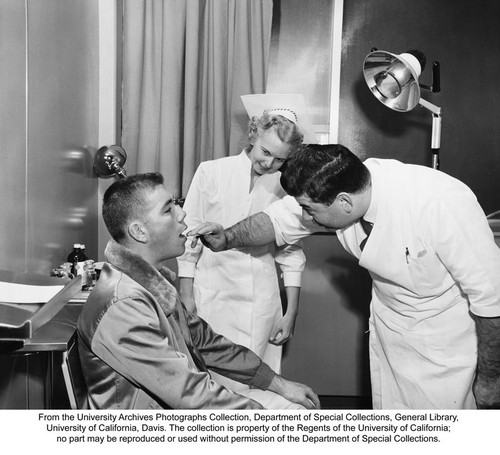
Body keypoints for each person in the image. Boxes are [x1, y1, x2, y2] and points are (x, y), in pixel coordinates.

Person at [188, 144, 500, 409]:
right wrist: (226, 238)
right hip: (392, 330)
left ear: (344, 203)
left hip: (446, 345)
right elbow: (276, 221)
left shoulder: (439, 203)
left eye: (309, 210)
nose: (306, 218)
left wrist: (489, 380)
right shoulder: (338, 188)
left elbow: (493, 299)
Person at [77, 172, 320, 410]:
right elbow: (189, 393)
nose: (183, 214)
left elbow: (207, 343)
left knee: (294, 405)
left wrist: (278, 384)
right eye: (168, 209)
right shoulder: (125, 305)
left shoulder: (153, 283)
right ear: (139, 232)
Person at [177, 94, 311, 392]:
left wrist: (291, 312)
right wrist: (187, 296)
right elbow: (189, 237)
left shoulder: (285, 186)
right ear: (253, 133)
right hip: (214, 296)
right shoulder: (211, 172)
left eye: (281, 159)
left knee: (261, 385)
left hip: (262, 303)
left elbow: (291, 252)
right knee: (215, 386)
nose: (270, 162)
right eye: (266, 151)